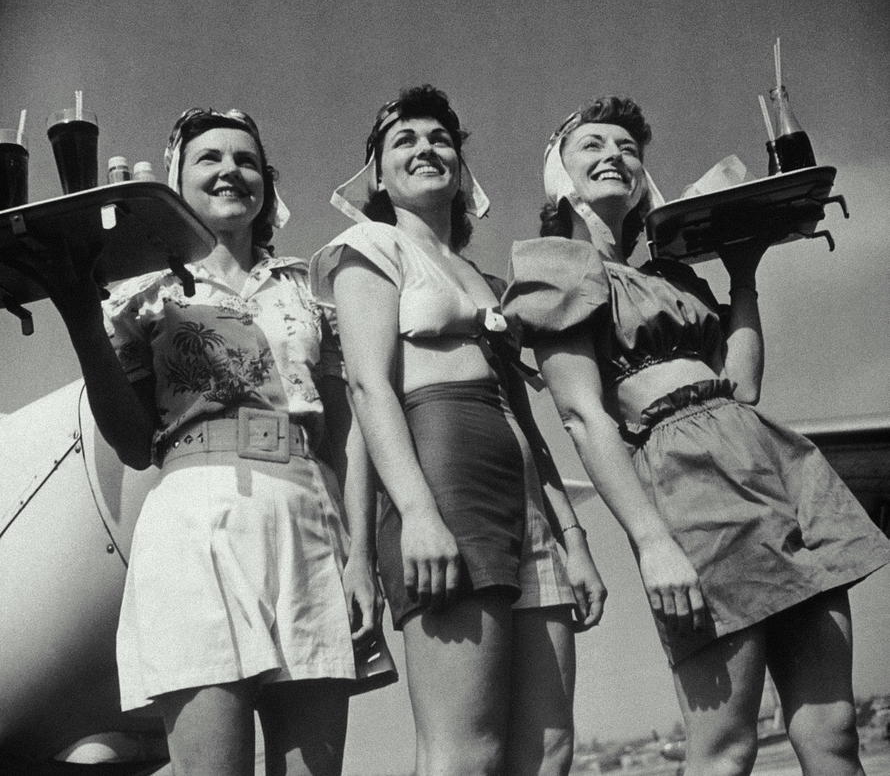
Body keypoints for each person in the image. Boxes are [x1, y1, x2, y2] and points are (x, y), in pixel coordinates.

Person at [501, 96, 890, 776]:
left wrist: (743, 275)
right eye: (592, 145)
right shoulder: (555, 267)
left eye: (626, 146)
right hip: (686, 484)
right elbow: (583, 417)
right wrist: (652, 544)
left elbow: (742, 387)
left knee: (832, 736)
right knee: (726, 748)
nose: (613, 155)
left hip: (774, 467)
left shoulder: (672, 278)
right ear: (558, 175)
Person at [14, 108, 377, 775]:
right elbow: (129, 441)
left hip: (309, 516)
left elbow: (346, 436)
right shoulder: (139, 295)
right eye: (209, 158)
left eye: (245, 159)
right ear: (174, 181)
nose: (229, 170)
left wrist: (361, 558)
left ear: (266, 183)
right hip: (197, 511)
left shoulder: (307, 292)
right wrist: (78, 313)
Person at [310, 85, 606, 776]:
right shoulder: (368, 247)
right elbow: (366, 389)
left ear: (461, 167)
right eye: (403, 141)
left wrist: (575, 537)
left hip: (525, 495)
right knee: (467, 751)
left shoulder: (484, 277)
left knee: (548, 747)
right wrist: (413, 513)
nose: (425, 148)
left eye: (439, 138)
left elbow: (528, 419)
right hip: (443, 482)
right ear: (377, 178)